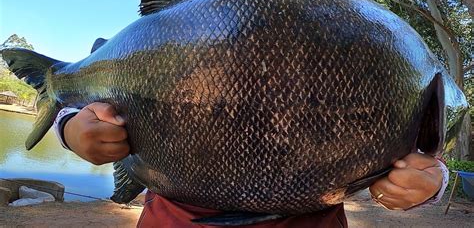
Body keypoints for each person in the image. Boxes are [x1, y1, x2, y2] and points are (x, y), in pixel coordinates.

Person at [54, 102, 449, 227]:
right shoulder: (181, 48)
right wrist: (69, 127)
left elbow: (423, 161)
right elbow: (80, 102)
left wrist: (431, 183)